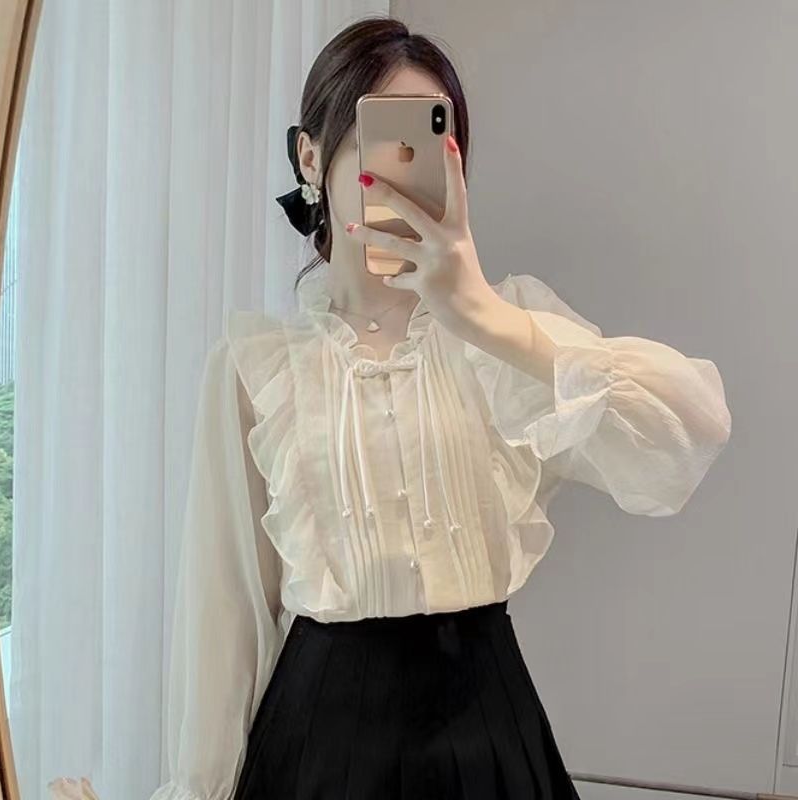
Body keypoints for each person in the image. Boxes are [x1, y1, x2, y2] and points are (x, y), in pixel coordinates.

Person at [154, 17, 732, 800]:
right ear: (310, 156)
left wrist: (485, 316)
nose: (403, 170)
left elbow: (690, 428)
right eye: (381, 137)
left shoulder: (507, 332)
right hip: (318, 747)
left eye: (430, 142)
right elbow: (224, 624)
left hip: (487, 734)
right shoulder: (257, 369)